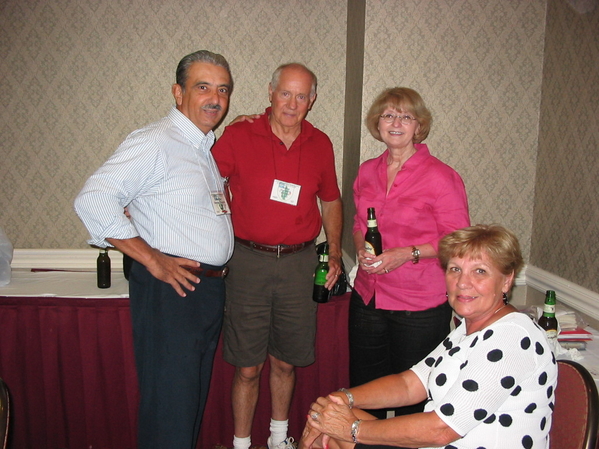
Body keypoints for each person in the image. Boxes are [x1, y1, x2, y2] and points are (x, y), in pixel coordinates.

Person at [74, 50, 234, 449]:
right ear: (178, 93)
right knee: (170, 411)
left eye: (223, 89)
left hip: (203, 292)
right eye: (203, 87)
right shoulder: (156, 141)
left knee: (187, 408)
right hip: (172, 293)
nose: (215, 98)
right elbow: (93, 200)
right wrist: (151, 258)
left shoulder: (200, 148)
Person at [301, 224, 558, 449]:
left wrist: (352, 429)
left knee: (334, 429)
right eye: (455, 269)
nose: (463, 282)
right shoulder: (465, 331)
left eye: (479, 271)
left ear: (506, 280)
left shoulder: (511, 336)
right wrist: (341, 398)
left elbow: (442, 429)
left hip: (446, 441)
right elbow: (409, 384)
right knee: (326, 418)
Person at [212, 62, 343, 449]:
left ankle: (277, 439)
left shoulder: (320, 144)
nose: (292, 103)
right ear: (270, 93)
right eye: (285, 93)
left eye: (301, 96)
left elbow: (331, 201)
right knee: (248, 367)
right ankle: (241, 444)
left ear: (312, 101)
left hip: (301, 263)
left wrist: (334, 252)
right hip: (247, 261)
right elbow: (205, 181)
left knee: (286, 361)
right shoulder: (238, 134)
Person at [350, 87, 470, 418]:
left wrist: (407, 253)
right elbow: (359, 225)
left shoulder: (441, 177)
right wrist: (361, 249)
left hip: (418, 308)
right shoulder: (366, 171)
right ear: (378, 123)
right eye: (388, 115)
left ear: (419, 126)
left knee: (412, 402)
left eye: (406, 116)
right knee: (364, 392)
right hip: (368, 299)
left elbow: (457, 240)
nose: (396, 122)